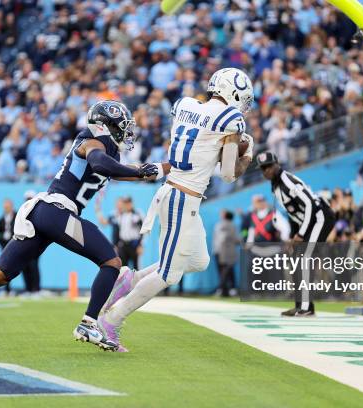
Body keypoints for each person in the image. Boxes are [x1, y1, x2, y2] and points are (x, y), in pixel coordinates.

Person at [0, 100, 159, 352]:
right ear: (105, 125)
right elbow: (102, 164)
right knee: (111, 262)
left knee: (0, 274)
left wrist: (171, 169)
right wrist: (142, 172)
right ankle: (89, 323)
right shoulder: (91, 141)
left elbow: (128, 171)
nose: (125, 132)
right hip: (56, 211)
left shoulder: (109, 153)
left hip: (45, 214)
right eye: (120, 126)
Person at [100, 68, 255, 351]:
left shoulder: (186, 105)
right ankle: (111, 320)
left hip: (180, 195)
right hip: (181, 196)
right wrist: (248, 154)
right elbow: (230, 173)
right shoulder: (229, 120)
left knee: (197, 262)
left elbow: (203, 152)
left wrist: (225, 148)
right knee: (169, 274)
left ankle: (130, 278)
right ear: (234, 94)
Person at [257, 151, 336, 317]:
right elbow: (292, 213)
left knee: (305, 258)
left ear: (277, 164)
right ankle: (300, 304)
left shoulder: (287, 181)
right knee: (295, 259)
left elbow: (310, 205)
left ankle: (306, 307)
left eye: (269, 166)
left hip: (321, 217)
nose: (266, 171)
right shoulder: (276, 186)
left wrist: (300, 234)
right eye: (263, 168)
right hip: (308, 221)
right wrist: (294, 236)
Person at [212, 210, 240, 297]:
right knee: (227, 271)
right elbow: (236, 240)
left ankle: (223, 290)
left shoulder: (222, 224)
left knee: (224, 271)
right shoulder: (231, 225)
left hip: (221, 251)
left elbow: (222, 239)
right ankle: (225, 290)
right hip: (225, 251)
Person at [114, 197, 144, 269]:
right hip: (123, 245)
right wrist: (116, 244)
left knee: (136, 268)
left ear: (131, 204)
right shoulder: (120, 216)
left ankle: (137, 280)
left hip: (134, 245)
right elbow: (117, 231)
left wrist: (140, 245)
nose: (127, 205)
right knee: (124, 268)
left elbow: (142, 231)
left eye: (128, 203)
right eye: (125, 203)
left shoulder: (136, 215)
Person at [0, 198, 16, 295]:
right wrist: (2, 243)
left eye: (8, 206)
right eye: (5, 207)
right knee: (5, 269)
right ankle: (7, 289)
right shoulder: (1, 219)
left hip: (16, 244)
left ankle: (32, 289)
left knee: (25, 267)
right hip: (5, 246)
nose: (6, 208)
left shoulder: (17, 217)